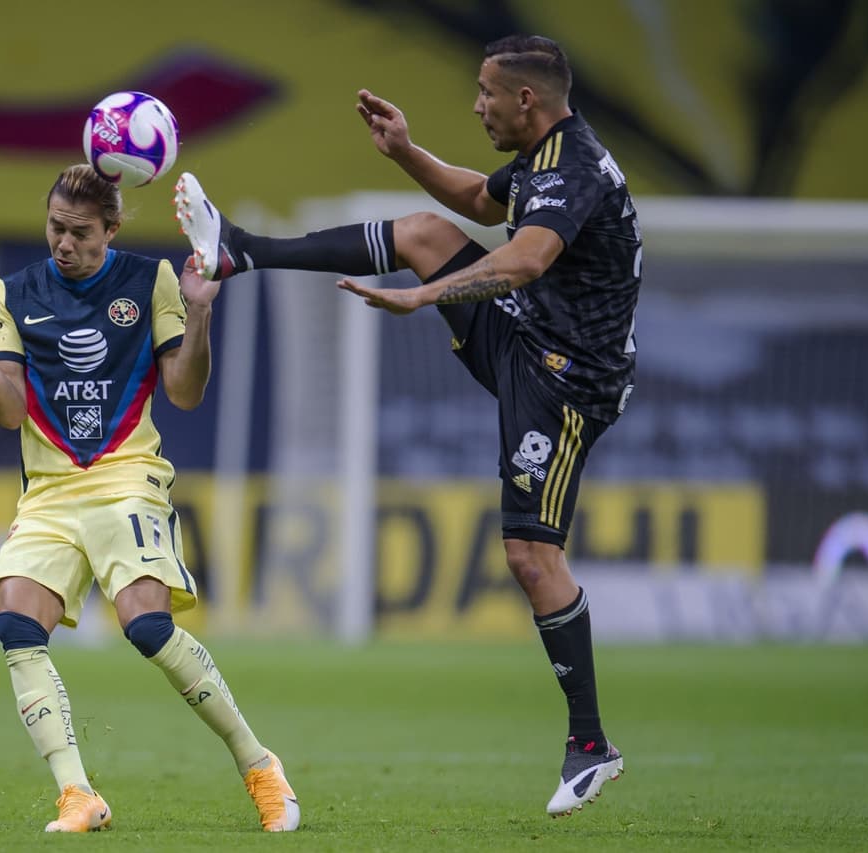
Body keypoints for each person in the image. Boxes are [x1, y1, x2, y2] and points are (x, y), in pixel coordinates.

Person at [173, 34, 637, 817]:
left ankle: (591, 743)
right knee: (424, 233)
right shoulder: (543, 155)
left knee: (530, 555)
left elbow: (524, 258)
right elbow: (484, 206)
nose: (479, 105)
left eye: (488, 93)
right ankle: (238, 253)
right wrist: (406, 152)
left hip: (567, 384)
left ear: (528, 99)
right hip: (529, 339)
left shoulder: (576, 167)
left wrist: (425, 299)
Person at [0, 164, 299, 833]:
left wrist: (200, 309)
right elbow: (7, 412)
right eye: (55, 228)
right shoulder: (13, 293)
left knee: (146, 626)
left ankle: (260, 763)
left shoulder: (150, 282)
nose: (64, 243)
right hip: (51, 491)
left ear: (112, 229)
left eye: (81, 233)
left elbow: (184, 390)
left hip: (126, 478)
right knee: (15, 622)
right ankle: (77, 794)